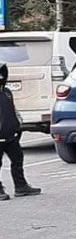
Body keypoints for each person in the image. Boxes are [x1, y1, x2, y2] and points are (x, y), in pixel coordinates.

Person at [0, 64, 41, 200]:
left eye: (2, 74)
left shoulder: (6, 92)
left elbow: (13, 110)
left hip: (11, 134)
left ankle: (21, 186)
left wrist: (18, 123)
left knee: (17, 159)